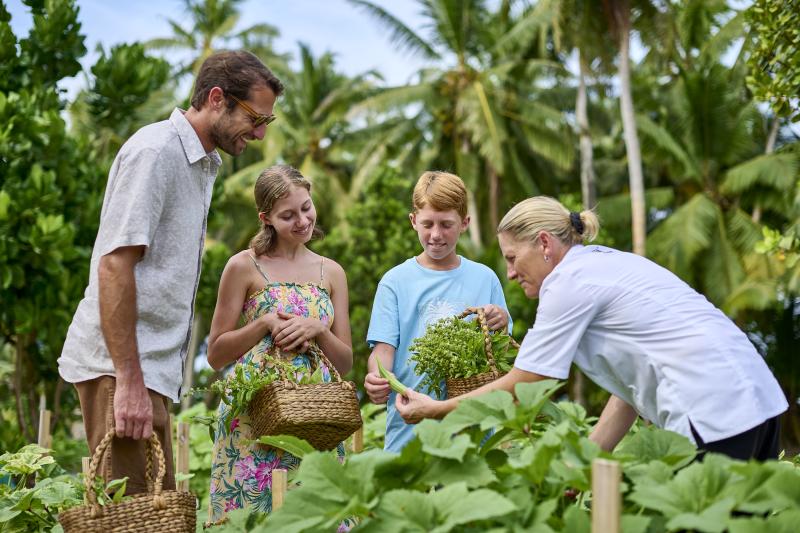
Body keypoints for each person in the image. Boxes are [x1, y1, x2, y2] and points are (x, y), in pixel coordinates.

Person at [396, 196, 789, 461]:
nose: (511, 273)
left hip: (713, 410)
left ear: (545, 243)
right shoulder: (603, 262)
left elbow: (525, 381)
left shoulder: (568, 284)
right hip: (757, 401)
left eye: (513, 258)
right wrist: (583, 462)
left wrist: (438, 409)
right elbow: (629, 393)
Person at [58, 50, 284, 494]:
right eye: (255, 117)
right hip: (121, 370)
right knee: (131, 516)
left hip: (147, 372)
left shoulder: (201, 164)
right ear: (217, 98)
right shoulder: (156, 151)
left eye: (267, 123)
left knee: (157, 513)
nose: (259, 133)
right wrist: (127, 382)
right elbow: (114, 265)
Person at [205, 165, 353, 523]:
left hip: (317, 415)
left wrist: (318, 328)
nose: (302, 220)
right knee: (251, 517)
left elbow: (346, 362)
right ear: (266, 218)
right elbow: (215, 353)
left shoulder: (330, 272)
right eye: (288, 215)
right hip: (252, 414)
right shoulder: (243, 266)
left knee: (319, 517)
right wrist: (264, 323)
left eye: (306, 207)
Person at [364, 171, 512, 452]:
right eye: (427, 223)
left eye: (447, 224)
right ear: (413, 221)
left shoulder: (485, 278)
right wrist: (377, 377)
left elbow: (502, 348)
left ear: (465, 223)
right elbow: (383, 350)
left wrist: (500, 320)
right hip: (409, 422)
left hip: (471, 424)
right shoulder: (395, 281)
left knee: (466, 493)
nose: (435, 234)